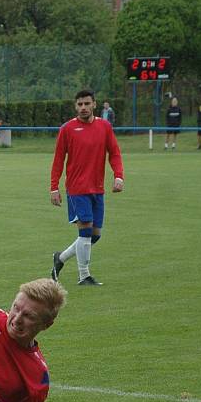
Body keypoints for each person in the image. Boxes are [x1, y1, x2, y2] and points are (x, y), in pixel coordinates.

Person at [50, 90, 124, 286]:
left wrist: (118, 176)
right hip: (77, 189)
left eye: (86, 104)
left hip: (97, 189)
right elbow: (58, 160)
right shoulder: (67, 129)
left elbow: (114, 153)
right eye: (80, 104)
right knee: (85, 232)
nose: (83, 107)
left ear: (94, 104)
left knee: (95, 235)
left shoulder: (104, 127)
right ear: (76, 106)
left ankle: (61, 258)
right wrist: (54, 187)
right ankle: (84, 276)